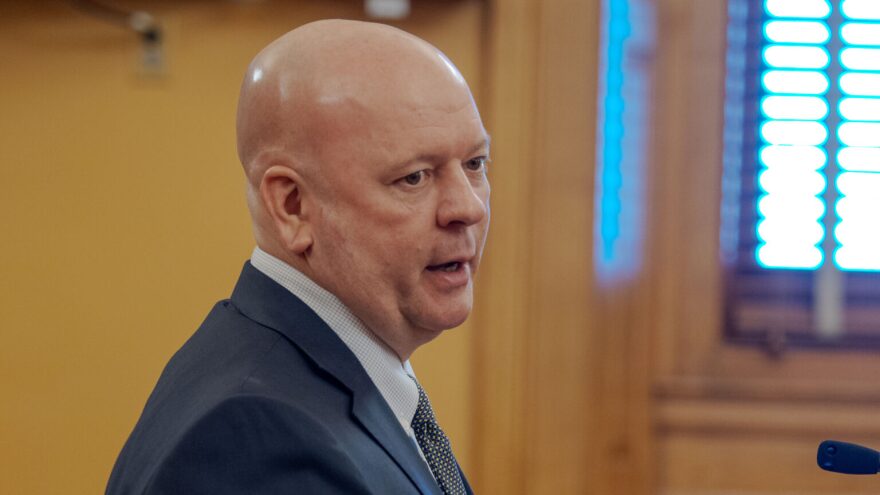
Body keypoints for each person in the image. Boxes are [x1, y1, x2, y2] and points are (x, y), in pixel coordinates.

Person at [106, 18, 490, 495]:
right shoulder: (259, 443)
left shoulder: (290, 376)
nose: (468, 207)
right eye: (414, 177)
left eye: (475, 164)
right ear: (292, 206)